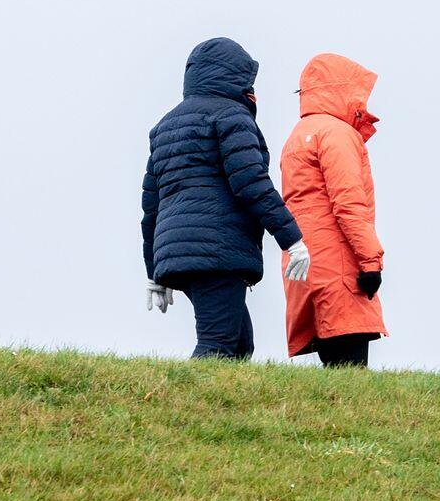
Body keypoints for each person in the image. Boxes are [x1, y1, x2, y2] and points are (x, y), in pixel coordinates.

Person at [142, 37, 310, 358]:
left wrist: (154, 270)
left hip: (178, 251)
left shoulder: (165, 126)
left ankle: (220, 392)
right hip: (216, 249)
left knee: (240, 345)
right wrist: (292, 240)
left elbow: (152, 206)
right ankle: (176, 392)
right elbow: (252, 184)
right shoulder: (232, 116)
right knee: (217, 343)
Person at [279, 52, 386, 367]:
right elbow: (349, 204)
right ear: (343, 90)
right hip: (339, 266)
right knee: (352, 375)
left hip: (307, 264)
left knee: (335, 369)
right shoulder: (337, 133)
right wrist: (371, 262)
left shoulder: (297, 135)